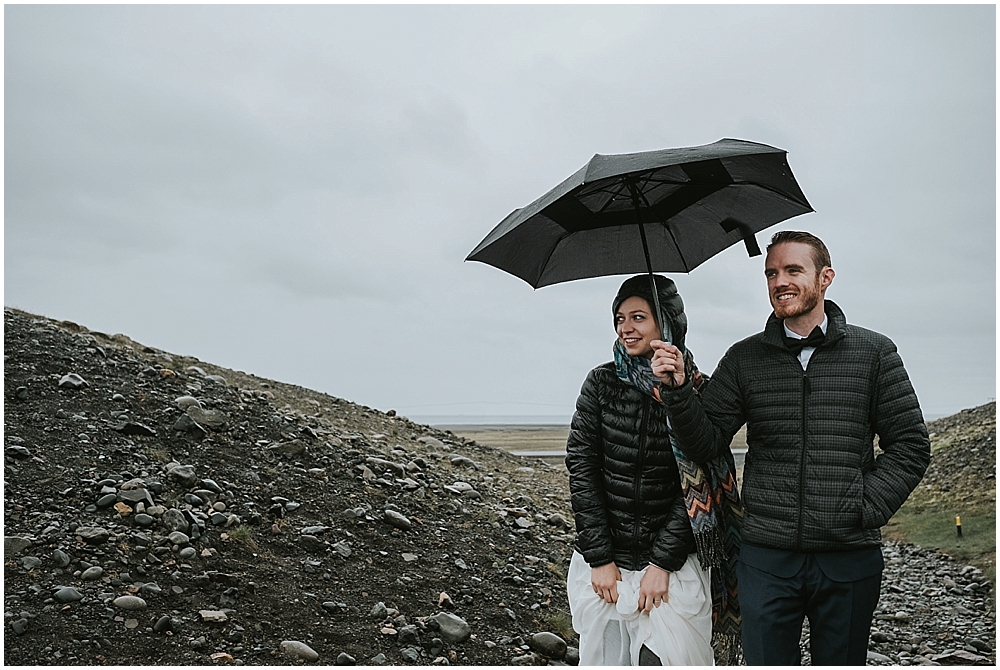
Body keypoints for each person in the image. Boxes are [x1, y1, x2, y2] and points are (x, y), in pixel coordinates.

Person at [651, 230, 931, 665]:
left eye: (793, 270)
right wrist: (678, 390)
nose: (780, 281)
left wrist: (863, 506)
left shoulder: (874, 353)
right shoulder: (745, 358)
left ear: (826, 278)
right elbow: (705, 443)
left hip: (849, 557)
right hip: (766, 557)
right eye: (771, 273)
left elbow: (910, 445)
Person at [565, 274, 742, 666]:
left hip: (672, 567)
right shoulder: (601, 383)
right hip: (607, 565)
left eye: (639, 317)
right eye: (620, 317)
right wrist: (599, 558)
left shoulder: (697, 390)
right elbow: (583, 468)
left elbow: (700, 486)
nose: (626, 328)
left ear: (668, 323)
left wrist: (661, 563)